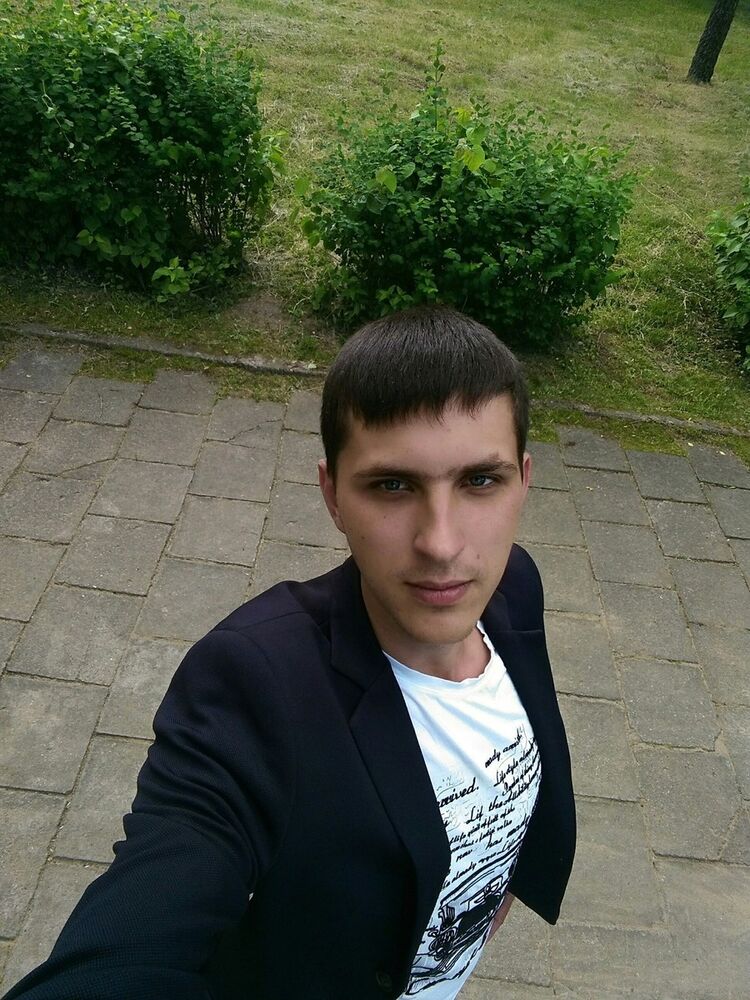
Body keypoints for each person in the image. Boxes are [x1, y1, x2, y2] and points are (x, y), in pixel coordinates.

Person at [4, 306, 575, 1000]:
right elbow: (149, 909)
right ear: (332, 495)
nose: (442, 544)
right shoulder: (256, 682)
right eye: (392, 485)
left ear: (524, 480)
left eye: (480, 481)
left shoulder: (513, 585)